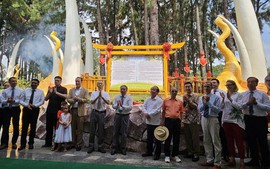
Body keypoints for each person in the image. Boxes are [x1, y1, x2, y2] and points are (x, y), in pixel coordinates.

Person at [239, 77, 270, 169]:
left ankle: (266, 162)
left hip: (260, 120)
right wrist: (248, 103)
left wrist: (256, 103)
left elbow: (268, 108)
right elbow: (240, 106)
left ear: (256, 84)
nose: (250, 83)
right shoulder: (243, 94)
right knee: (251, 140)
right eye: (248, 82)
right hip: (248, 119)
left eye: (252, 82)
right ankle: (254, 160)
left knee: (262, 141)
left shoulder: (262, 95)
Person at [219, 80, 245, 169]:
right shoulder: (225, 95)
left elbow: (240, 107)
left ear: (234, 85)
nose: (228, 87)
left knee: (239, 142)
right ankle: (232, 159)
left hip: (236, 121)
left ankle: (242, 161)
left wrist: (230, 99)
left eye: (230, 85)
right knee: (229, 141)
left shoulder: (239, 95)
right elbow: (222, 108)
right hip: (226, 121)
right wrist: (223, 99)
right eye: (227, 85)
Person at [198, 82, 222, 169]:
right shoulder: (201, 97)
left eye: (208, 86)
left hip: (213, 118)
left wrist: (208, 103)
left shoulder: (216, 97)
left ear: (211, 87)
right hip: (204, 118)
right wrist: (204, 103)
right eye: (205, 86)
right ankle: (209, 160)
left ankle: (217, 162)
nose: (206, 88)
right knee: (206, 140)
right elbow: (199, 109)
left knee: (215, 140)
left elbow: (218, 110)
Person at [18, 79, 45, 150]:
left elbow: (42, 101)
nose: (33, 84)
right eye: (32, 83)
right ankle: (22, 144)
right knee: (24, 127)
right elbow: (20, 100)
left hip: (35, 110)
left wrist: (35, 105)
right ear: (31, 83)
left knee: (33, 127)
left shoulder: (40, 92)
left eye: (35, 83)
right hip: (26, 109)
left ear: (38, 84)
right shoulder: (26, 90)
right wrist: (26, 105)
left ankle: (31, 143)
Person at [43, 76, 67, 148]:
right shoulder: (51, 88)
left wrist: (56, 93)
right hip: (50, 110)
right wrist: (50, 93)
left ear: (60, 81)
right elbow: (46, 99)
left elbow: (65, 97)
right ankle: (48, 143)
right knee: (49, 127)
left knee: (57, 128)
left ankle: (57, 143)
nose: (56, 82)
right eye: (55, 80)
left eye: (58, 80)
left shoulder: (63, 89)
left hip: (58, 111)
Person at [161, 87, 184, 163]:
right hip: (168, 121)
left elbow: (181, 112)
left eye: (175, 91)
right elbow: (163, 111)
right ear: (170, 92)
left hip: (177, 121)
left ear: (177, 92)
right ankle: (167, 155)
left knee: (176, 139)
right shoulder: (166, 100)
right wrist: (162, 121)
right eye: (172, 91)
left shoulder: (180, 102)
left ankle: (175, 155)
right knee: (167, 138)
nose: (174, 92)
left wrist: (181, 122)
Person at [0, 77, 23, 150]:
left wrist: (14, 101)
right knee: (5, 126)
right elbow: (2, 100)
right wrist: (7, 100)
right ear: (9, 82)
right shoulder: (5, 91)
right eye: (12, 81)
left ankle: (14, 142)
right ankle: (4, 143)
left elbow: (21, 100)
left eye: (15, 81)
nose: (14, 82)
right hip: (7, 109)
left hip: (16, 108)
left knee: (16, 125)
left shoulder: (20, 90)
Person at [87, 81, 110, 154]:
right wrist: (98, 96)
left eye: (101, 83)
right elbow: (92, 102)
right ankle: (91, 146)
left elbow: (108, 102)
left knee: (101, 130)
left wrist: (102, 97)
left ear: (103, 85)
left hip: (102, 113)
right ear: (97, 85)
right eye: (99, 83)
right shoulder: (94, 93)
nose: (100, 84)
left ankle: (101, 146)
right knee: (92, 130)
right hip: (94, 112)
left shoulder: (106, 93)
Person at [67, 77, 89, 151]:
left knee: (80, 128)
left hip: (81, 111)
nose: (77, 83)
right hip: (73, 110)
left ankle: (79, 144)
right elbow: (68, 99)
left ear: (81, 82)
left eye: (78, 81)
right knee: (72, 127)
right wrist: (73, 100)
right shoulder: (71, 90)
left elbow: (86, 99)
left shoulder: (85, 90)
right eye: (76, 81)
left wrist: (79, 99)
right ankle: (73, 143)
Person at [141, 86, 163, 160]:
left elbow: (157, 110)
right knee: (149, 138)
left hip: (156, 122)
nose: (152, 91)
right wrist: (146, 113)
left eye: (154, 90)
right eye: (151, 89)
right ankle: (149, 152)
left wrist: (149, 114)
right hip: (149, 122)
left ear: (157, 92)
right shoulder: (147, 99)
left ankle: (157, 154)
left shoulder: (159, 100)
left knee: (157, 139)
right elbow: (143, 107)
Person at [111, 85, 133, 155]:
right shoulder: (117, 97)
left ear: (126, 90)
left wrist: (122, 105)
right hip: (118, 115)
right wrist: (117, 104)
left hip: (125, 116)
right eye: (121, 89)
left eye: (124, 89)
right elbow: (113, 106)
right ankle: (114, 148)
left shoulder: (129, 98)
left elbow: (130, 107)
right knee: (115, 132)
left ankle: (123, 148)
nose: (122, 90)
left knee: (124, 133)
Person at [211, 78, 228, 162]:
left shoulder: (222, 92)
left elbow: (224, 105)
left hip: (220, 114)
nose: (213, 84)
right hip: (211, 115)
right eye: (211, 83)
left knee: (222, 134)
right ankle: (215, 155)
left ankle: (225, 154)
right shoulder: (209, 92)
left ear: (218, 83)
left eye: (214, 82)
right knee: (213, 135)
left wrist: (223, 99)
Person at [182, 82, 200, 162]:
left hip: (193, 119)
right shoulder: (184, 96)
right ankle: (190, 152)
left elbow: (196, 107)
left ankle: (196, 153)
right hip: (186, 119)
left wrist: (189, 101)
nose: (187, 88)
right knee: (188, 137)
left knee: (195, 137)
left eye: (189, 87)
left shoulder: (196, 96)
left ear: (191, 87)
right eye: (186, 87)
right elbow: (184, 107)